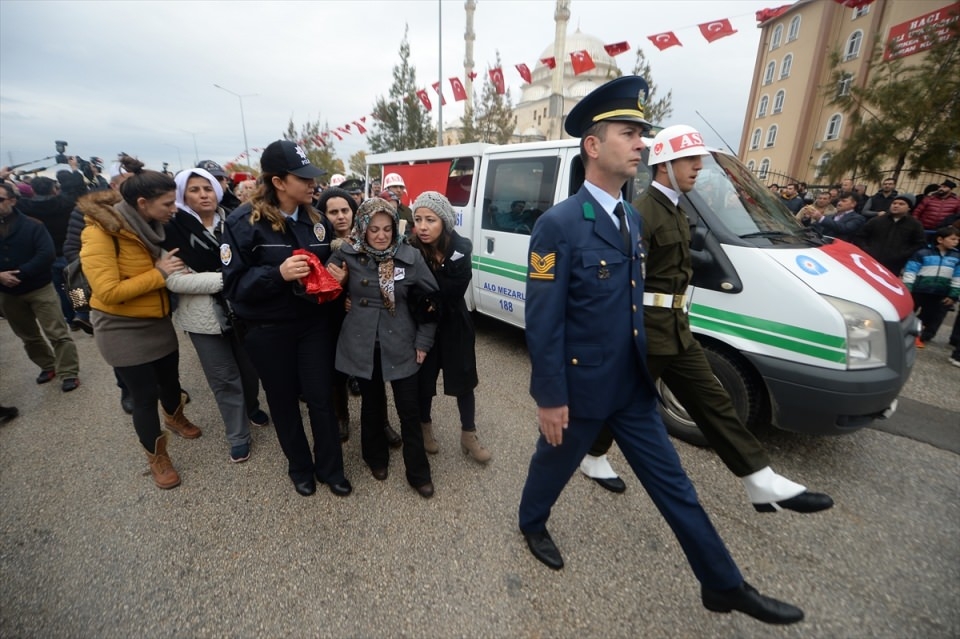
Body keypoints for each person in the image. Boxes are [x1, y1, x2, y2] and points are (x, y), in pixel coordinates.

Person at [517, 76, 804, 625]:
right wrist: (550, 395)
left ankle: (723, 584)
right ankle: (532, 523)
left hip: (632, 387)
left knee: (678, 488)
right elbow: (544, 320)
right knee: (550, 469)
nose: (641, 144)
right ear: (593, 146)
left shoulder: (629, 218)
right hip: (579, 391)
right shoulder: (557, 226)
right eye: (630, 133)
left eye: (642, 135)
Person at [579, 122, 833, 516]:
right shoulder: (641, 213)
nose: (698, 166)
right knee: (618, 402)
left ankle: (759, 479)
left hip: (676, 327)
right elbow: (616, 281)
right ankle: (589, 455)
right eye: (689, 159)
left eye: (698, 158)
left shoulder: (677, 211)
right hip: (643, 329)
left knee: (713, 399)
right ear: (664, 164)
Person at [221, 140, 351, 498]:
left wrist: (335, 276)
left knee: (321, 397)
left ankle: (331, 469)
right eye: (304, 178)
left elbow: (327, 266)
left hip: (312, 325)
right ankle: (300, 468)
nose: (313, 185)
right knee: (282, 401)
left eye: (313, 178)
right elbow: (233, 285)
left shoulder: (317, 221)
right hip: (267, 330)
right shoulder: (242, 223)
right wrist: (276, 274)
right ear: (279, 182)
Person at [79, 156, 200, 489]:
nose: (173, 208)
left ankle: (175, 417)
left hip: (158, 320)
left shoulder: (153, 226)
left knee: (171, 381)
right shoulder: (100, 233)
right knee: (144, 397)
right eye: (167, 203)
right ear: (143, 203)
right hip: (120, 327)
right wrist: (159, 274)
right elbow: (108, 290)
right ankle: (157, 458)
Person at [330, 197, 440, 498]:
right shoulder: (347, 255)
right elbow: (319, 290)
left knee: (409, 409)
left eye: (387, 229)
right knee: (372, 404)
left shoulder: (410, 257)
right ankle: (375, 456)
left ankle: (418, 472)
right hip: (362, 343)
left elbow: (432, 304)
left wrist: (423, 341)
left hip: (400, 341)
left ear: (395, 228)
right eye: (374, 229)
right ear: (363, 228)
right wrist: (340, 290)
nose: (381, 235)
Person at [162, 167, 270, 463]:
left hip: (243, 310)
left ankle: (251, 407)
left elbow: (254, 261)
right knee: (223, 378)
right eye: (194, 189)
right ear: (182, 194)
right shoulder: (173, 230)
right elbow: (175, 280)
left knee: (249, 370)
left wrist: (236, 278)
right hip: (202, 319)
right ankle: (237, 435)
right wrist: (229, 278)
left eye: (207, 188)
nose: (203, 195)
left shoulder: (236, 221)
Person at [410, 191, 491, 463]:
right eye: (418, 219)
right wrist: (425, 301)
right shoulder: (409, 250)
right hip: (423, 329)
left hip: (456, 325)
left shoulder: (461, 249)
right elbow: (411, 294)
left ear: (444, 222)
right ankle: (425, 428)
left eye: (430, 219)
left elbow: (452, 292)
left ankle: (469, 434)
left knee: (464, 381)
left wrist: (427, 297)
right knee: (424, 382)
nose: (423, 226)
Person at [0, 181, 81, 392]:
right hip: (13, 289)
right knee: (70, 293)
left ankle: (68, 369)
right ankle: (79, 315)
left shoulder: (32, 222)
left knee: (57, 323)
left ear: (14, 199)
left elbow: (46, 253)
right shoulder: (67, 202)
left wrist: (22, 272)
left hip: (41, 278)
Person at [902, 226, 960, 347]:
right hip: (919, 289)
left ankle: (918, 336)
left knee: (928, 316)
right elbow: (911, 270)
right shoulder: (923, 253)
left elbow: (957, 277)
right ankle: (901, 332)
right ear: (940, 239)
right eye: (952, 239)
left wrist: (953, 294)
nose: (956, 242)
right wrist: (908, 286)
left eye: (957, 240)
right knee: (909, 312)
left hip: (939, 292)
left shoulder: (956, 257)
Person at [856, 194, 926, 275]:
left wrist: (902, 255)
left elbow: (920, 243)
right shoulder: (877, 220)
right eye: (894, 203)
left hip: (894, 266)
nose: (896, 206)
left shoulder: (915, 224)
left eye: (901, 204)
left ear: (909, 208)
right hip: (871, 261)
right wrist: (867, 250)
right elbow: (860, 236)